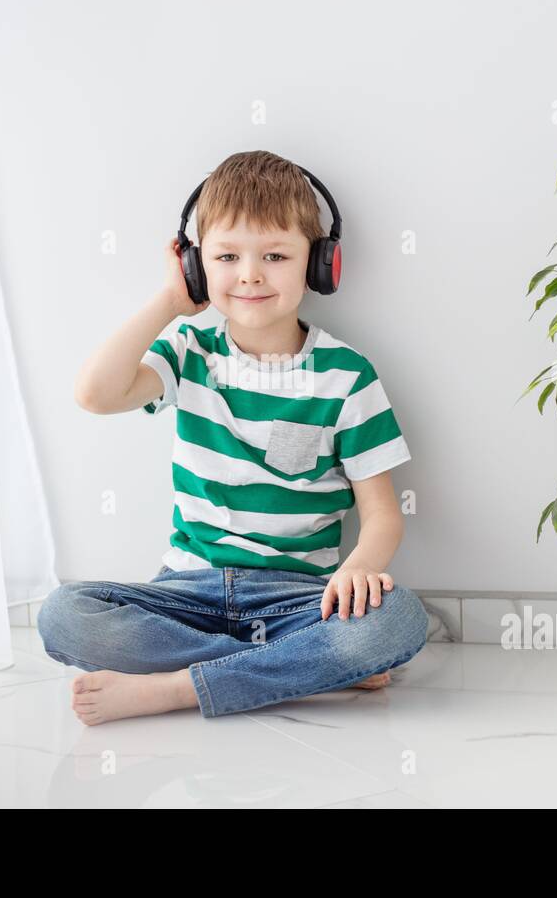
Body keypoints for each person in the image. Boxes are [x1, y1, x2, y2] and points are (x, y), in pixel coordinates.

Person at [42, 150, 426, 724]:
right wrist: (172, 302)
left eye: (275, 255)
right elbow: (95, 393)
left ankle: (179, 687)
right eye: (225, 257)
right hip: (186, 593)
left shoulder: (348, 376)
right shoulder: (188, 350)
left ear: (320, 265)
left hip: (298, 598)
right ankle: (299, 671)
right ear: (197, 268)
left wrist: (359, 568)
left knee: (398, 618)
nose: (249, 274)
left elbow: (383, 515)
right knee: (62, 613)